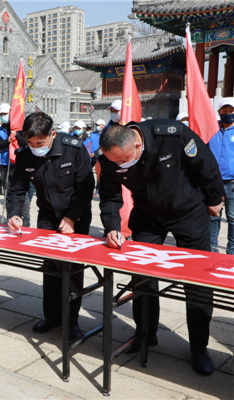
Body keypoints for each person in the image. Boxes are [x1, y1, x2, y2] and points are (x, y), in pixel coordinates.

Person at [98, 120, 224, 376]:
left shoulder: (171, 136)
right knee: (142, 278)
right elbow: (109, 196)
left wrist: (214, 199)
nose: (120, 165)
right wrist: (111, 226)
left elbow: (206, 164)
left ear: (137, 144)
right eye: (115, 162)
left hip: (187, 211)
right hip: (147, 216)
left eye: (124, 160)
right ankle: (145, 334)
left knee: (197, 281)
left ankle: (199, 347)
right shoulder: (110, 158)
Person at [7, 112, 94, 341]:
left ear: (53, 135)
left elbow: (86, 188)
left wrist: (71, 218)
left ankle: (72, 321)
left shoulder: (74, 149)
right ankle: (51, 316)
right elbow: (17, 188)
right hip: (47, 214)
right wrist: (14, 214)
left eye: (41, 143)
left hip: (76, 215)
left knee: (72, 270)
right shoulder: (25, 154)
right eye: (31, 143)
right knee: (50, 268)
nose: (36, 147)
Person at [209, 97, 234, 255]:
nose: (228, 114)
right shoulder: (211, 129)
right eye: (224, 111)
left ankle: (231, 250)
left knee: (232, 217)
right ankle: (211, 248)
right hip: (213, 181)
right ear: (219, 112)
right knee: (213, 214)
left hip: (232, 182)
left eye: (231, 111)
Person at [0, 104, 14, 195]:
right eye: (1, 114)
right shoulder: (1, 130)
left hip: (16, 161)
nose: (3, 116)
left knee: (15, 185)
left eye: (5, 114)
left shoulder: (17, 127)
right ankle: (7, 199)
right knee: (5, 183)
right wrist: (7, 141)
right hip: (5, 160)